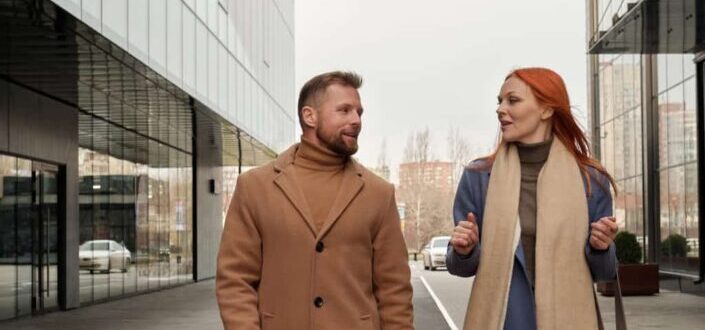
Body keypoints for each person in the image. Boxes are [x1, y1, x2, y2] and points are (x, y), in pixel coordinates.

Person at [216, 71, 414, 330]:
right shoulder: (255, 187)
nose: (356, 120)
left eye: (359, 112)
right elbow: (235, 280)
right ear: (309, 116)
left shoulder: (379, 194)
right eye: (344, 110)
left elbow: (394, 291)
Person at [447, 67, 618, 330]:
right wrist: (463, 249)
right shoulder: (479, 177)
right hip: (503, 321)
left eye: (512, 100)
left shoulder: (591, 180)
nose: (500, 109)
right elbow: (461, 266)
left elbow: (604, 272)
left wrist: (600, 247)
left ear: (546, 110)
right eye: (499, 101)